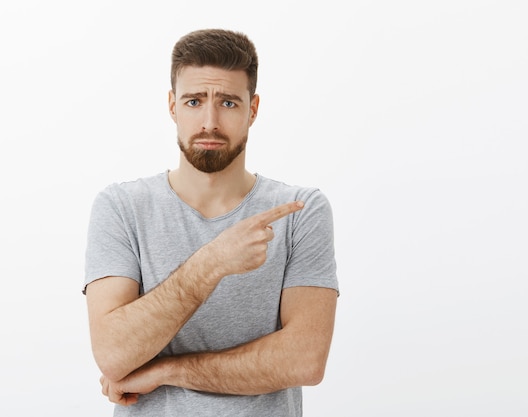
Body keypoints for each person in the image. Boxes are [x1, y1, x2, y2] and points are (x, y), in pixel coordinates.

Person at [83, 28, 339, 417]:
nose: (209, 121)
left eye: (228, 103)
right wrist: (212, 263)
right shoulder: (121, 207)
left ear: (253, 109)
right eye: (194, 101)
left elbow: (304, 361)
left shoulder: (300, 210)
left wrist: (166, 370)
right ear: (172, 106)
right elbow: (114, 355)